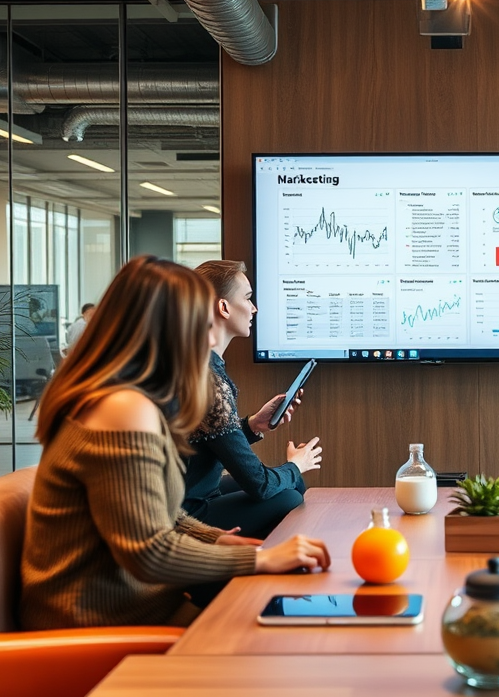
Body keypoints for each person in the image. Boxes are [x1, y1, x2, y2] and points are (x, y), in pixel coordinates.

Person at [21, 256, 330, 631]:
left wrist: (214, 539)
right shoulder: (123, 411)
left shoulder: (129, 400)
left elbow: (158, 513)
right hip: (98, 620)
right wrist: (259, 559)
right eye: (200, 320)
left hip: (130, 602)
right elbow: (149, 553)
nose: (213, 334)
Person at [182, 260, 321, 540]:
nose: (254, 308)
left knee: (289, 487)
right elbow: (259, 484)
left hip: (195, 491)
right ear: (223, 308)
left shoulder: (199, 363)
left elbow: (207, 442)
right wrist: (296, 464)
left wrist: (254, 425)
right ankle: (239, 574)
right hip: (187, 513)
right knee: (287, 496)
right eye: (247, 298)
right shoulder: (209, 379)